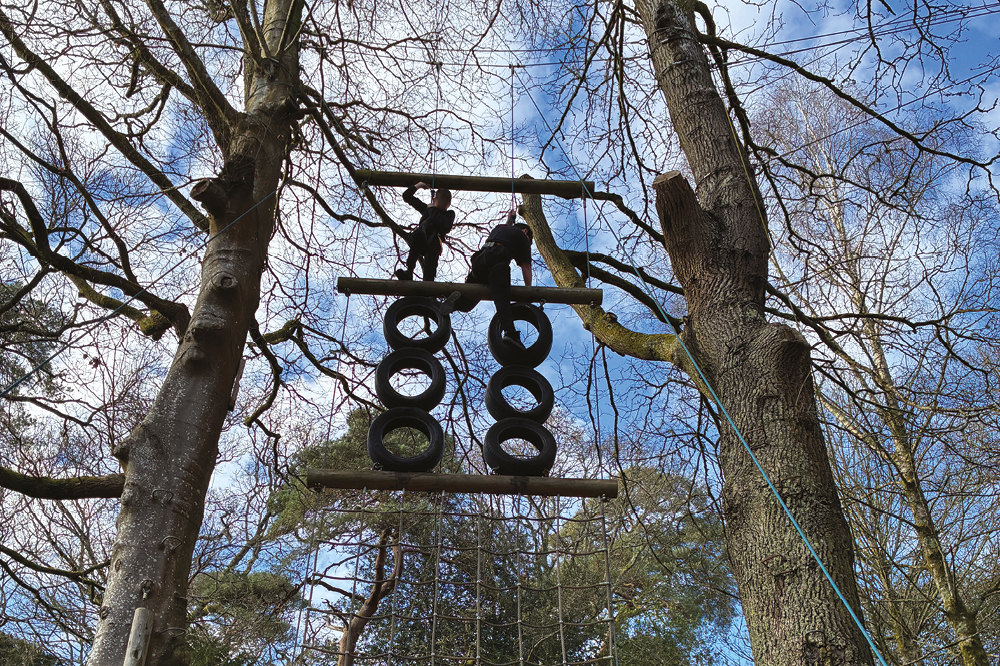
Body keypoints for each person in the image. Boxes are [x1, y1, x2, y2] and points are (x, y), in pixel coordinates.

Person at [440, 208, 532, 351]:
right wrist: (528, 292)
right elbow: (526, 267)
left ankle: (454, 300)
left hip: (479, 261)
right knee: (501, 297)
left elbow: (507, 227)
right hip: (498, 259)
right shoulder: (522, 236)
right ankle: (510, 333)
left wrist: (509, 220)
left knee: (467, 303)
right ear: (525, 231)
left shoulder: (500, 228)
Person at [394, 181, 455, 282]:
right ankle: (409, 271)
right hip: (420, 239)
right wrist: (418, 186)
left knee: (431, 263)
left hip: (433, 243)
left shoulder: (448, 214)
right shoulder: (427, 209)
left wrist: (431, 209)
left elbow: (444, 224)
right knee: (417, 235)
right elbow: (407, 196)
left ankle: (428, 283)